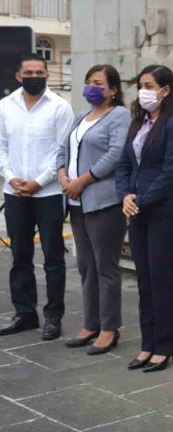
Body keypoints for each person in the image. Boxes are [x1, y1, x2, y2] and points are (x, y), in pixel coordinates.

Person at [116, 64, 173, 373]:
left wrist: (140, 201)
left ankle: (165, 346)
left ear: (165, 90)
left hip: (162, 212)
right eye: (140, 85)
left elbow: (170, 172)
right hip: (137, 211)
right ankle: (147, 344)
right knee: (143, 279)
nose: (143, 91)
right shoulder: (138, 122)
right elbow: (124, 165)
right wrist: (126, 196)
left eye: (149, 85)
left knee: (160, 280)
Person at [57, 65, 131, 354]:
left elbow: (116, 154)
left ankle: (110, 328)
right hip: (76, 203)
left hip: (103, 201)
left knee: (105, 267)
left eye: (98, 83)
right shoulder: (81, 117)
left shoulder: (119, 115)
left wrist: (82, 181)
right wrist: (63, 176)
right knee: (86, 266)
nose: (91, 87)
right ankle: (91, 323)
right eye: (88, 82)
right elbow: (63, 150)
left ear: (113, 89)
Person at [0, 54, 74, 340]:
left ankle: (53, 317)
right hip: (15, 192)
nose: (34, 76)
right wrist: (11, 177)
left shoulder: (60, 107)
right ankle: (25, 313)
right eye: (28, 72)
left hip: (50, 193)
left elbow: (62, 150)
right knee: (20, 255)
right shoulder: (5, 106)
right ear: (19, 76)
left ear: (46, 74)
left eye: (39, 71)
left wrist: (38, 182)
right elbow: (1, 147)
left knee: (54, 257)